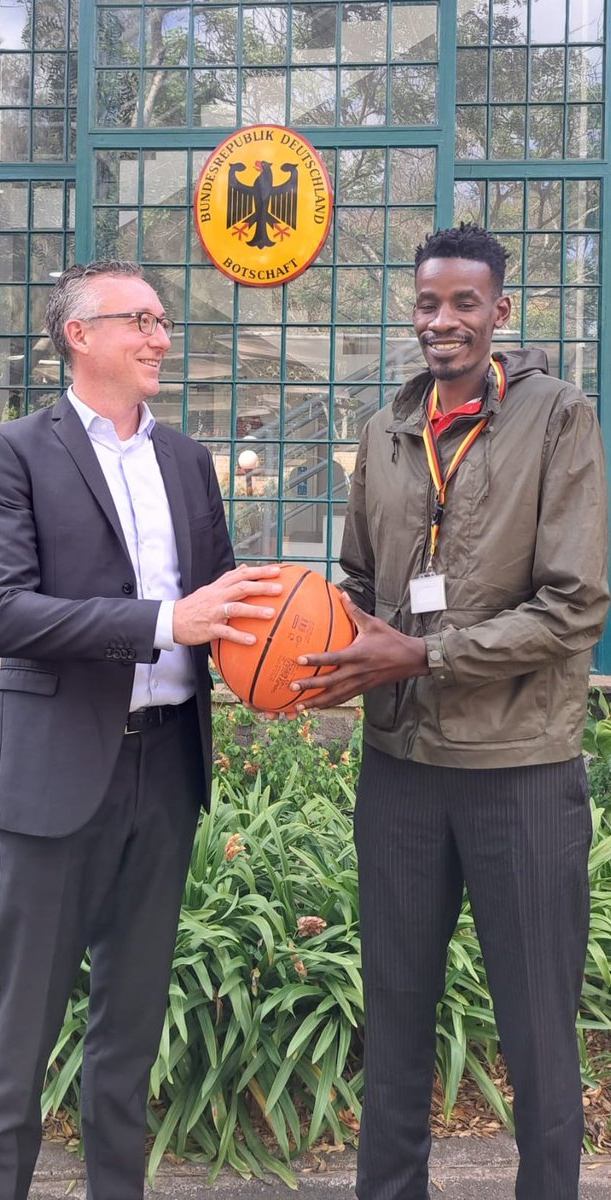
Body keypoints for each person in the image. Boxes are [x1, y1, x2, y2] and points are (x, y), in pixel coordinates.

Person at [290, 224, 610, 1200]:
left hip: (519, 773)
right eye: (428, 302)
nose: (443, 320)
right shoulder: (386, 432)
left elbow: (574, 605)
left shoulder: (558, 416)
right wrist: (312, 643)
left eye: (465, 302)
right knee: (392, 1017)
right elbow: (356, 578)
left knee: (535, 1031)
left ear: (498, 312)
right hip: (400, 773)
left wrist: (422, 652)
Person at [0, 259, 282, 1200]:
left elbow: (222, 607)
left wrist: (302, 639)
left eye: (162, 319)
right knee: (15, 1054)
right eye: (139, 319)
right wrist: (157, 622)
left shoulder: (186, 459)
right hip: (55, 781)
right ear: (80, 335)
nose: (159, 336)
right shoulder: (11, 451)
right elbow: (2, 615)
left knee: (126, 1047)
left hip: (166, 776)